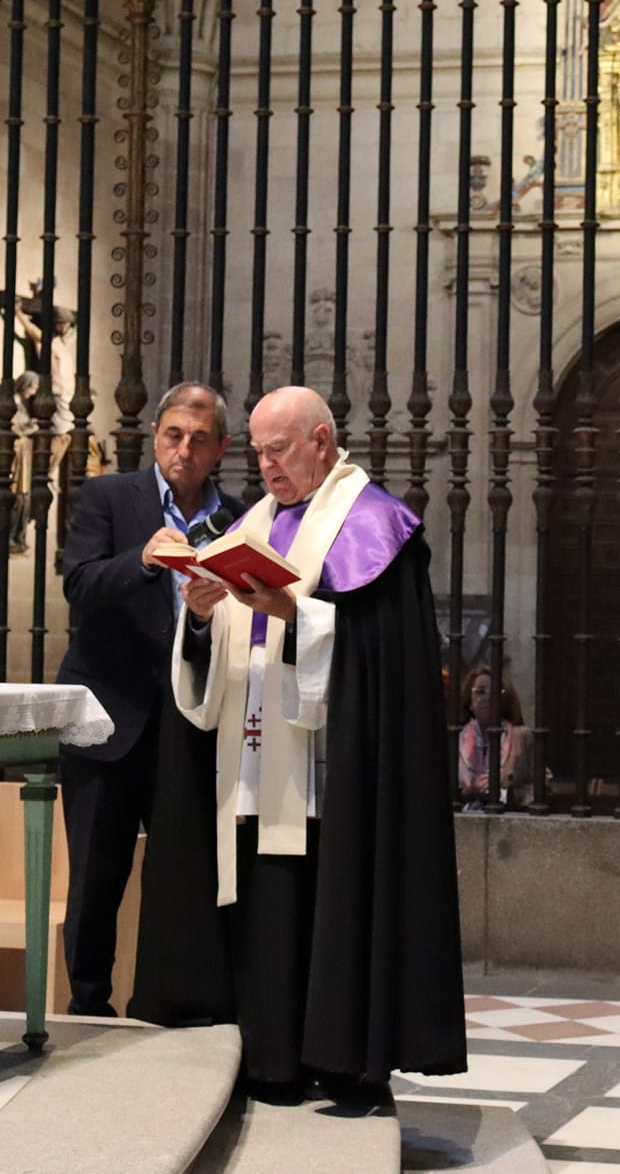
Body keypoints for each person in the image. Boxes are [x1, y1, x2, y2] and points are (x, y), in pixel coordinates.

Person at [131, 385, 465, 1104]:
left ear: (320, 440)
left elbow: (384, 660)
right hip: (252, 755)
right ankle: (272, 1060)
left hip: (331, 768)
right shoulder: (250, 523)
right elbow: (217, 657)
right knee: (265, 905)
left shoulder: (374, 524)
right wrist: (199, 615)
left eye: (278, 449)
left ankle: (343, 1061)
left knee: (330, 901)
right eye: (256, 450)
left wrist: (295, 611)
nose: (267, 465)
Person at [53, 382, 237, 1017]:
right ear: (156, 436)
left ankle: (167, 1003)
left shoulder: (237, 519)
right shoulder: (110, 496)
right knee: (96, 876)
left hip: (188, 722)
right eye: (173, 436)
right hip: (107, 716)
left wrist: (208, 620)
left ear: (221, 448)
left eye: (200, 439)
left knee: (179, 875)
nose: (184, 450)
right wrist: (144, 559)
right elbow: (78, 583)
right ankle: (86, 1004)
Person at [455, 667, 532, 810]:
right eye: (480, 692)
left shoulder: (522, 736)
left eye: (495, 691)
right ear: (470, 702)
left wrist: (504, 795)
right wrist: (468, 792)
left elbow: (542, 786)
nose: (488, 697)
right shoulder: (455, 739)